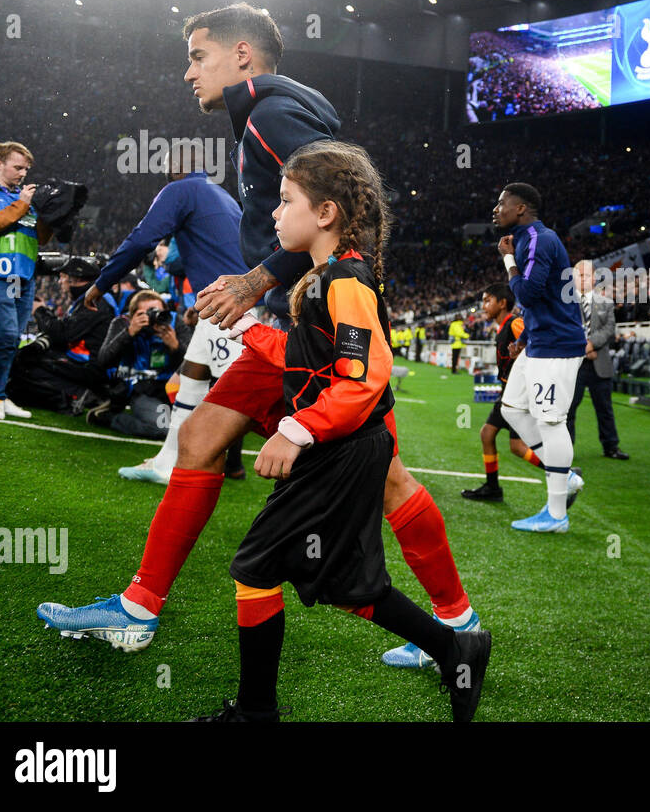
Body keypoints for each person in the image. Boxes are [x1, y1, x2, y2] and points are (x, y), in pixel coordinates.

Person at [38, 3, 480, 657]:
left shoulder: (271, 116)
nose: (188, 72)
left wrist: (255, 281)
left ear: (242, 54)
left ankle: (455, 623)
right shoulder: (266, 116)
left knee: (387, 479)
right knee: (201, 436)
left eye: (197, 56)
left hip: (315, 331)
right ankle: (139, 606)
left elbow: (336, 213)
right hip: (292, 326)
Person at [189, 141, 490, 722]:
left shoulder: (344, 280)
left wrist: (294, 431)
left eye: (285, 201)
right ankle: (456, 648)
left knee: (255, 569)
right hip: (343, 449)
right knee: (346, 583)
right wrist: (248, 328)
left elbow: (364, 380)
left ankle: (256, 714)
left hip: (341, 450)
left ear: (325, 213)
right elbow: (311, 363)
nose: (273, 214)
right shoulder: (325, 278)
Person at [83, 146, 246, 484]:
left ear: (177, 167)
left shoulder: (180, 190)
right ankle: (168, 462)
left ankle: (291, 456)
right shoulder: (222, 195)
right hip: (225, 302)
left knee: (238, 390)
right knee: (190, 384)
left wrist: (102, 283)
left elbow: (141, 239)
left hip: (228, 305)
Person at [493, 182, 588, 532]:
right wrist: (526, 338)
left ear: (521, 208)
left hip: (557, 346)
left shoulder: (538, 238)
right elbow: (544, 299)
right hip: (539, 343)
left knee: (551, 421)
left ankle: (557, 514)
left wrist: (508, 262)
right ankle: (566, 476)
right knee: (512, 408)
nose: (496, 208)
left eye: (502, 202)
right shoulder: (529, 239)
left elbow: (530, 293)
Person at [460, 283, 583, 505]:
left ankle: (561, 475)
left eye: (488, 301)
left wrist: (523, 353)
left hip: (516, 394)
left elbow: (535, 340)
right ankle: (563, 474)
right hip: (510, 391)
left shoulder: (515, 323)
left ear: (502, 303)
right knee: (513, 445)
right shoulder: (503, 326)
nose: (483, 306)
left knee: (488, 434)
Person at [0, 142, 53, 420]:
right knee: (4, 334)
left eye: (26, 168)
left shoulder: (24, 199)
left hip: (23, 275)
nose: (23, 173)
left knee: (13, 338)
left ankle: (1, 395)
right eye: (18, 167)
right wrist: (23, 203)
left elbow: (41, 238)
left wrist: (52, 215)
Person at [0, 256, 117, 414]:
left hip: (90, 366)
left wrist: (39, 310)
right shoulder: (90, 298)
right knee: (24, 359)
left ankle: (77, 395)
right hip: (86, 362)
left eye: (62, 278)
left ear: (75, 279)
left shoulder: (95, 302)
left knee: (24, 367)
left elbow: (62, 334)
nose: (59, 282)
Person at [92, 289, 189, 438]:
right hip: (139, 389)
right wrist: (129, 332)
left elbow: (193, 365)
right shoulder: (123, 322)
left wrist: (175, 346)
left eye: (159, 311)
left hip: (170, 389)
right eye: (148, 312)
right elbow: (104, 360)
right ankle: (108, 417)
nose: (155, 316)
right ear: (134, 314)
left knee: (198, 427)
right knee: (163, 429)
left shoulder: (175, 323)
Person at [566, 259, 629, 460]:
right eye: (579, 275)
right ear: (573, 278)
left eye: (586, 275)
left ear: (594, 277)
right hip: (572, 366)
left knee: (605, 409)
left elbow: (609, 330)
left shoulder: (606, 303)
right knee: (568, 410)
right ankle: (565, 449)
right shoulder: (564, 304)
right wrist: (583, 349)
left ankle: (611, 446)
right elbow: (563, 331)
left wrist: (590, 344)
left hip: (599, 364)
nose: (583, 279)